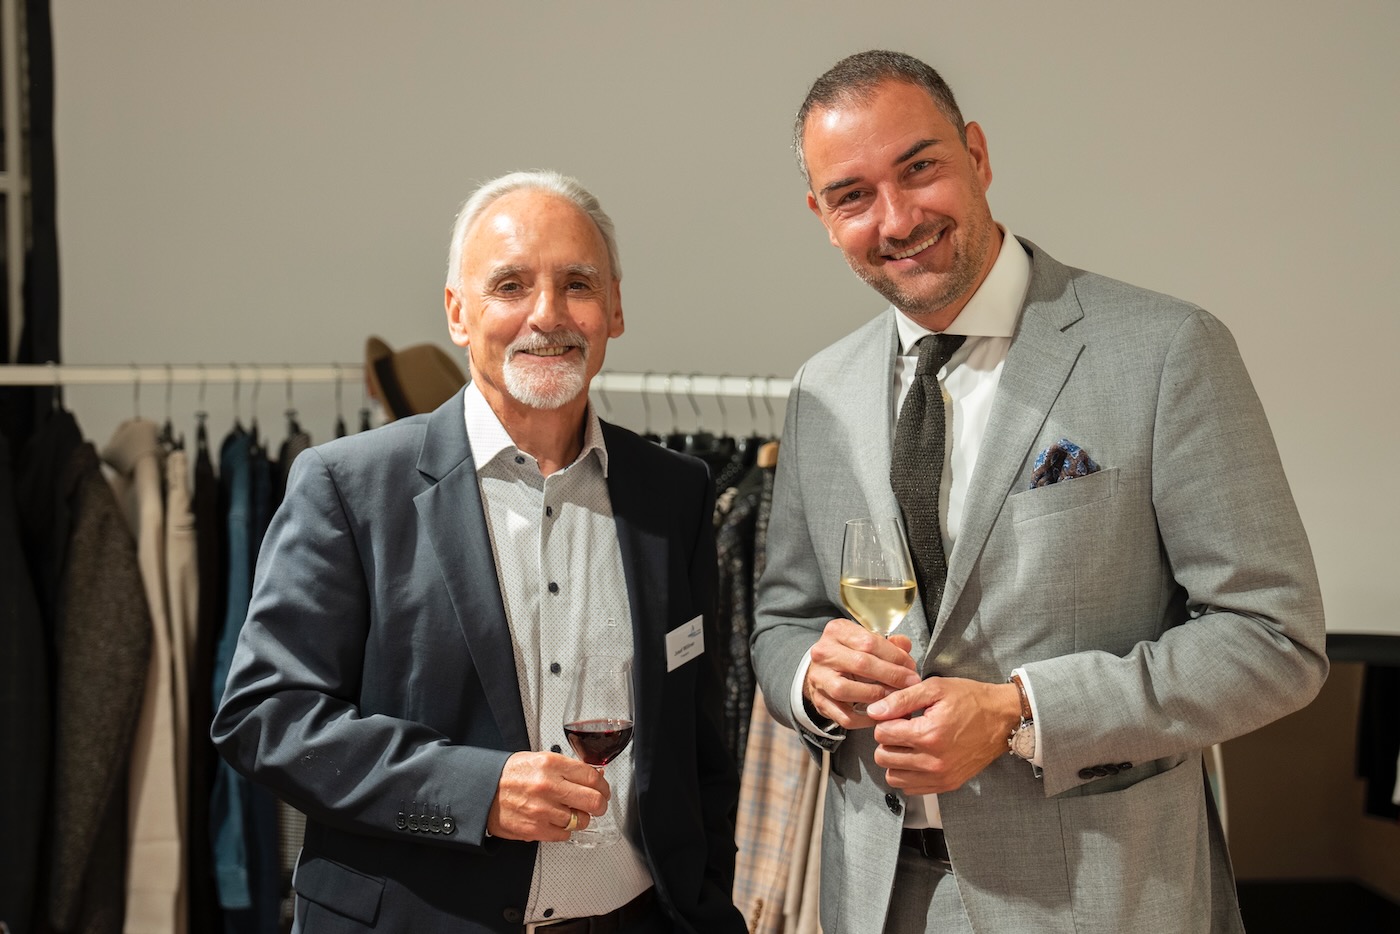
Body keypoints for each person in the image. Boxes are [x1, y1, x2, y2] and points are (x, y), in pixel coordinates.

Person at [750, 50, 1327, 934]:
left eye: (920, 169)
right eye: (853, 195)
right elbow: (782, 620)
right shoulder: (820, 387)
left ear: (977, 155)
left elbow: (1274, 641)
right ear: (823, 217)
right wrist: (810, 679)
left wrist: (1022, 712)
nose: (897, 219)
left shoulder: (1166, 351)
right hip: (874, 897)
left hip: (1103, 899)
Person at [213, 170, 746, 933]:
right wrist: (477, 791)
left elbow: (697, 746)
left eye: (577, 284)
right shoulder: (347, 486)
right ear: (458, 312)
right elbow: (266, 716)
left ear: (615, 308)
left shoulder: (675, 491)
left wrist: (707, 902)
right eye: (510, 285)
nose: (547, 314)